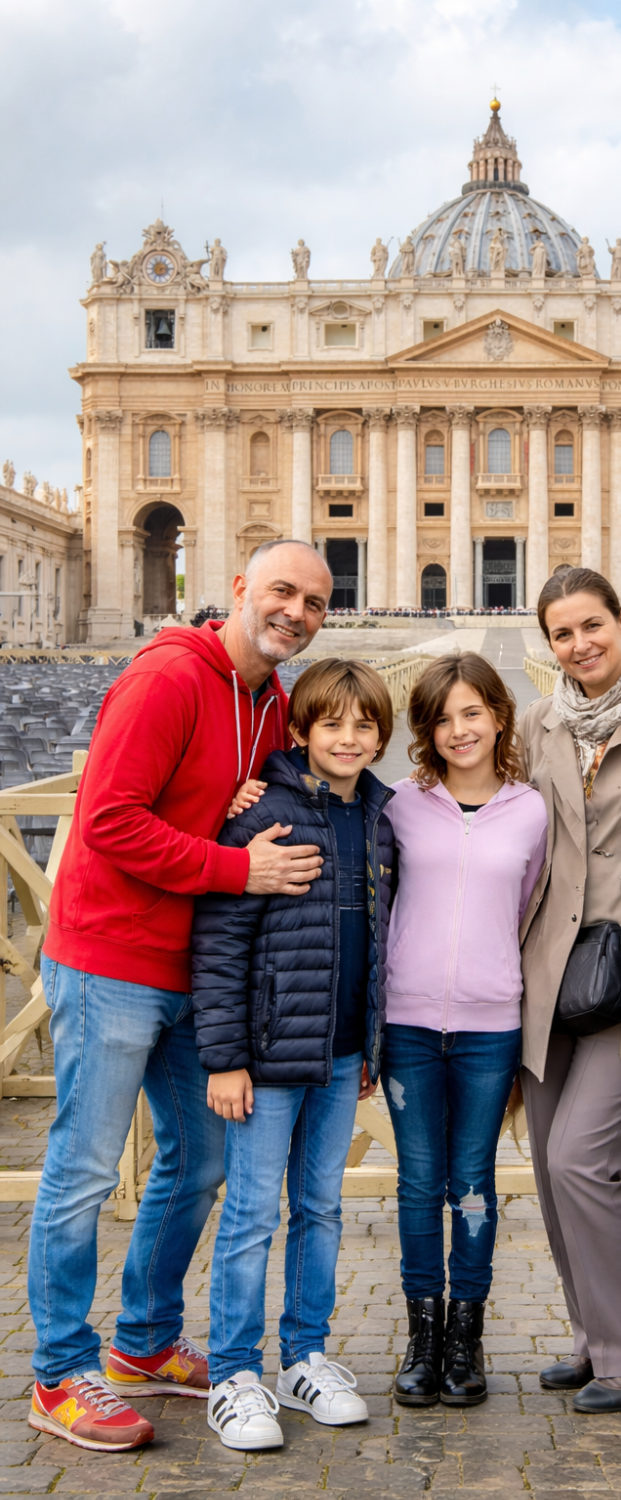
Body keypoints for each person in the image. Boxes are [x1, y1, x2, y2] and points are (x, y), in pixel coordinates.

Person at [28, 539, 331, 1453]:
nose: (296, 612)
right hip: (111, 956)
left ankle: (146, 1341)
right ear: (239, 590)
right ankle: (57, 1370)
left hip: (190, 969)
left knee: (197, 1159)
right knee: (82, 1171)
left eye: (315, 602)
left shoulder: (273, 701)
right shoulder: (167, 678)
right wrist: (237, 868)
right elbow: (112, 819)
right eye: (282, 592)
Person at [190, 659, 395, 1449]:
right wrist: (225, 1058)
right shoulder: (261, 816)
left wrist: (371, 1042)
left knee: (321, 1208)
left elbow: (378, 942)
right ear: (300, 732)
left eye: (365, 725)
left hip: (343, 1055)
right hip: (267, 1058)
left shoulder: (380, 818)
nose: (349, 738)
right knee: (248, 1215)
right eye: (332, 724)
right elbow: (218, 945)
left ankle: (305, 1356)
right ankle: (236, 1372)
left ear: (382, 735)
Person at [518, 567, 621, 1414]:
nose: (580, 645)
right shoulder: (539, 722)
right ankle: (593, 1334)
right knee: (549, 1165)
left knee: (585, 1160)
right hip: (548, 973)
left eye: (592, 625)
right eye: (562, 634)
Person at [382, 654, 546, 1408]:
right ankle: (422, 1332)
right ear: (426, 730)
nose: (459, 730)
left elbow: (536, 912)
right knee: (419, 1185)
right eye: (443, 718)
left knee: (473, 1185)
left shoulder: (533, 811)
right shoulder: (398, 807)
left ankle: (466, 1335)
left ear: (500, 716)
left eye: (472, 712)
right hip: (407, 1023)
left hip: (490, 1025)